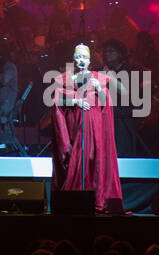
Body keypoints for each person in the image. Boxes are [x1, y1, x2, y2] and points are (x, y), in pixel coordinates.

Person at [49, 43, 122, 213]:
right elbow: (56, 102)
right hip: (74, 127)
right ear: (73, 58)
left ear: (90, 60)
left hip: (95, 127)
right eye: (78, 56)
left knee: (93, 159)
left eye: (85, 57)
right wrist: (75, 101)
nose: (81, 60)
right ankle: (74, 197)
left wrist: (98, 88)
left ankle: (96, 199)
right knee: (76, 159)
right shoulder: (64, 79)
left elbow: (106, 103)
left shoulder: (99, 78)